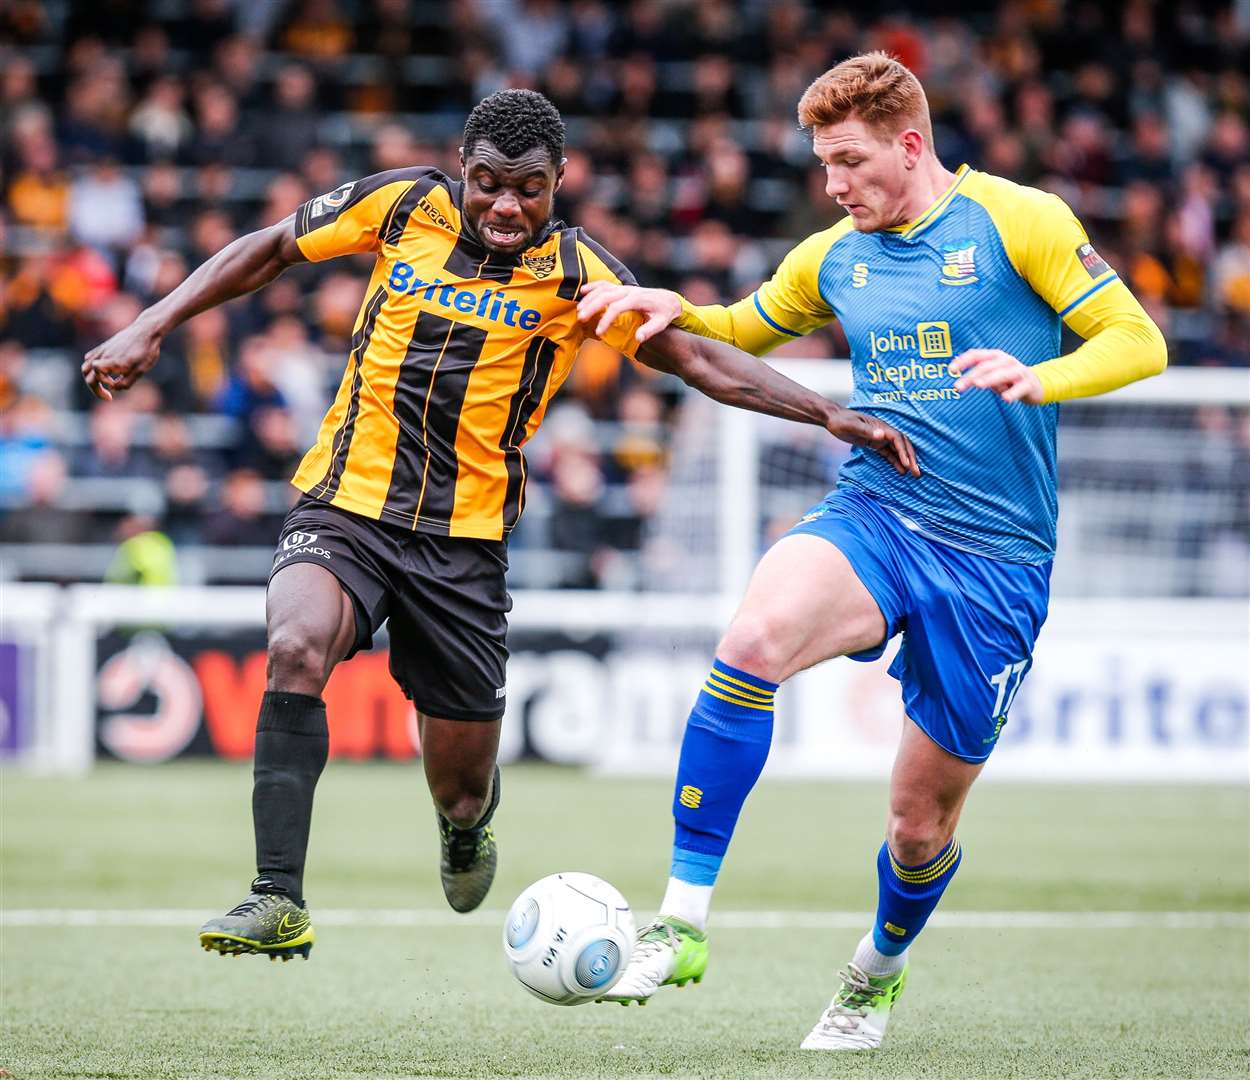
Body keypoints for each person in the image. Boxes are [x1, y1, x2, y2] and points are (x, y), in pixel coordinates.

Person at [81, 89, 916, 962]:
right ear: (462, 171)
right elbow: (273, 247)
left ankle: (463, 828)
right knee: (295, 645)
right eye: (487, 184)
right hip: (344, 505)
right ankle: (276, 895)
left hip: (463, 547)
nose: (505, 207)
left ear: (559, 183)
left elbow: (698, 355)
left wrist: (830, 414)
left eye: (529, 189)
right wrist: (152, 322)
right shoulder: (404, 203)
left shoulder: (577, 271)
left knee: (462, 789)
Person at [577, 53, 1166, 1050]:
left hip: (996, 562)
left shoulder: (1016, 221)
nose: (831, 184)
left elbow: (1136, 339)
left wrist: (1042, 374)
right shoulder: (830, 257)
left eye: (847, 161)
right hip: (879, 510)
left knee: (916, 827)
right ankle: (678, 917)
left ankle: (874, 970)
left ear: (908, 144)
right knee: (755, 634)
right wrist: (676, 312)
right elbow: (743, 328)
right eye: (820, 165)